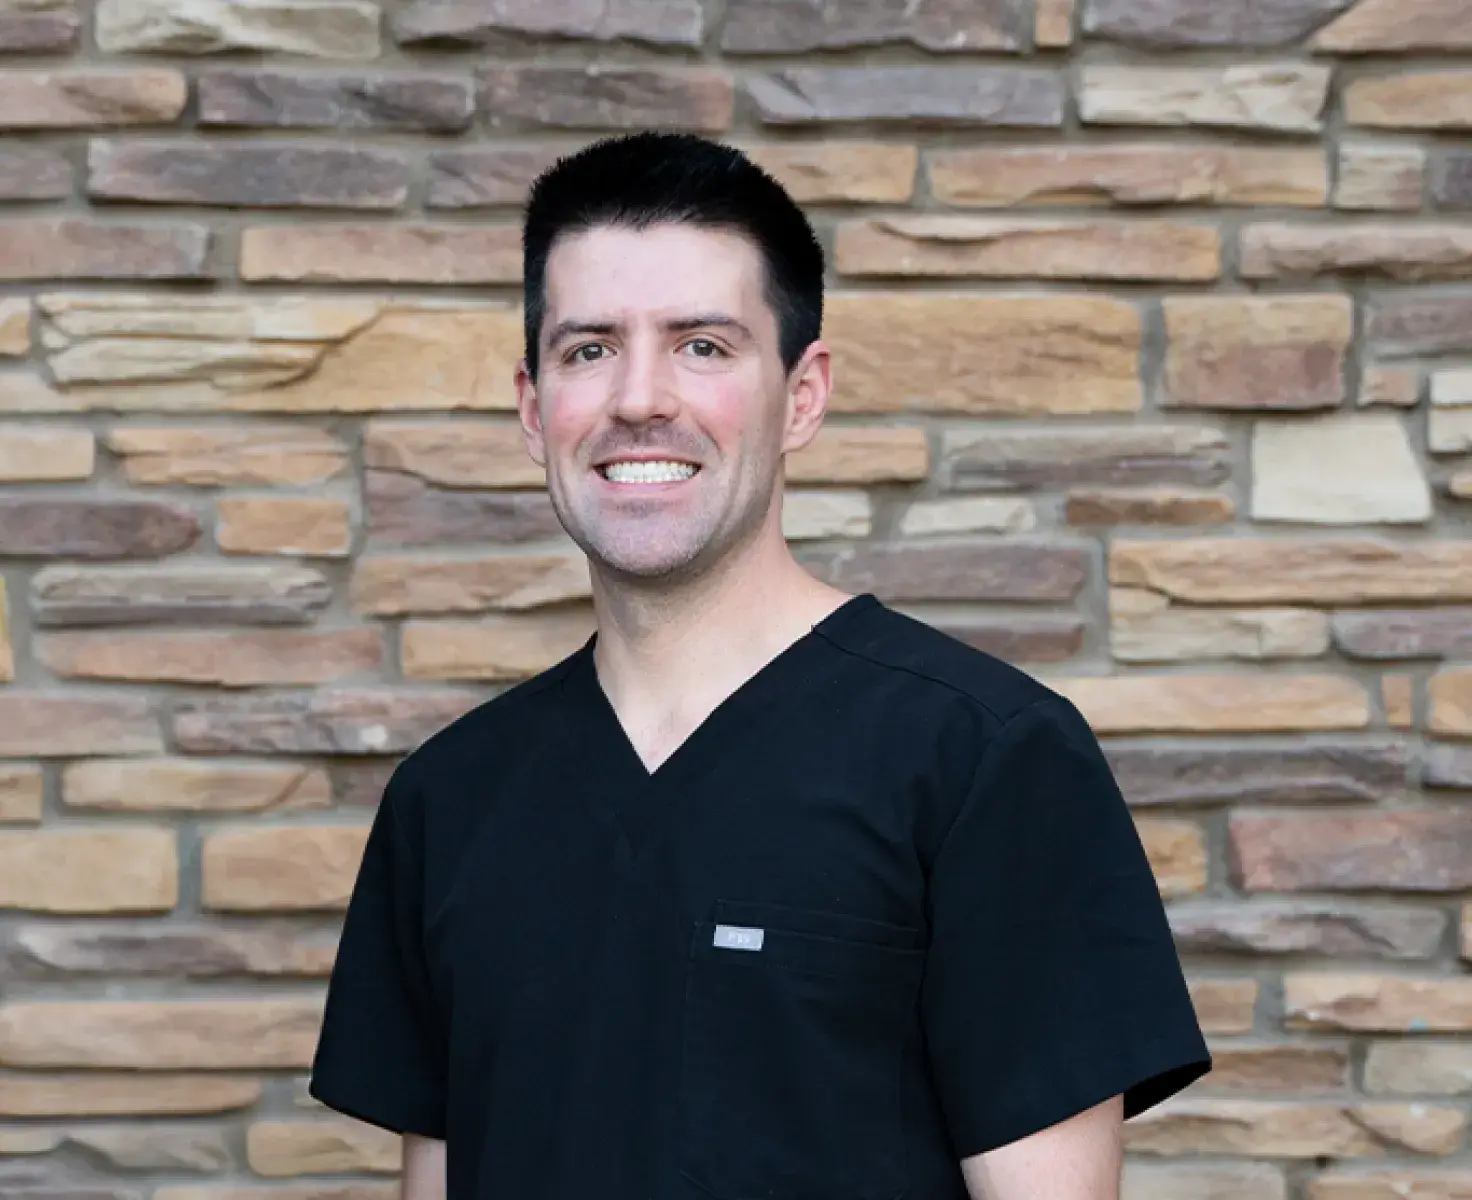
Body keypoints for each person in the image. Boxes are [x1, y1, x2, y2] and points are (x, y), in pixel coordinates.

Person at [308, 131, 1212, 1200]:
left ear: (805, 393)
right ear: (530, 404)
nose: (638, 398)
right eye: (589, 348)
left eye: (702, 345)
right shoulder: (447, 801)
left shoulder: (979, 759)